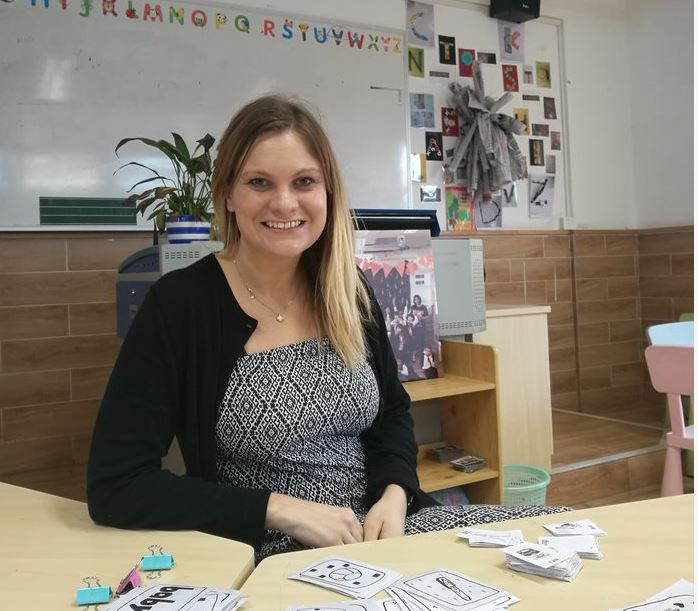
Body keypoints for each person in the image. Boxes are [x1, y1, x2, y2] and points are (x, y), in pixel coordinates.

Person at [87, 94, 568, 562]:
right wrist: (282, 511)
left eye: (304, 181)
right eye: (259, 182)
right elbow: (117, 485)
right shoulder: (180, 304)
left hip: (389, 531)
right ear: (227, 194)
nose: (284, 202)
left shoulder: (348, 287)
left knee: (563, 532)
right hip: (278, 554)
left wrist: (396, 493)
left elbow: (392, 417)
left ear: (327, 192)